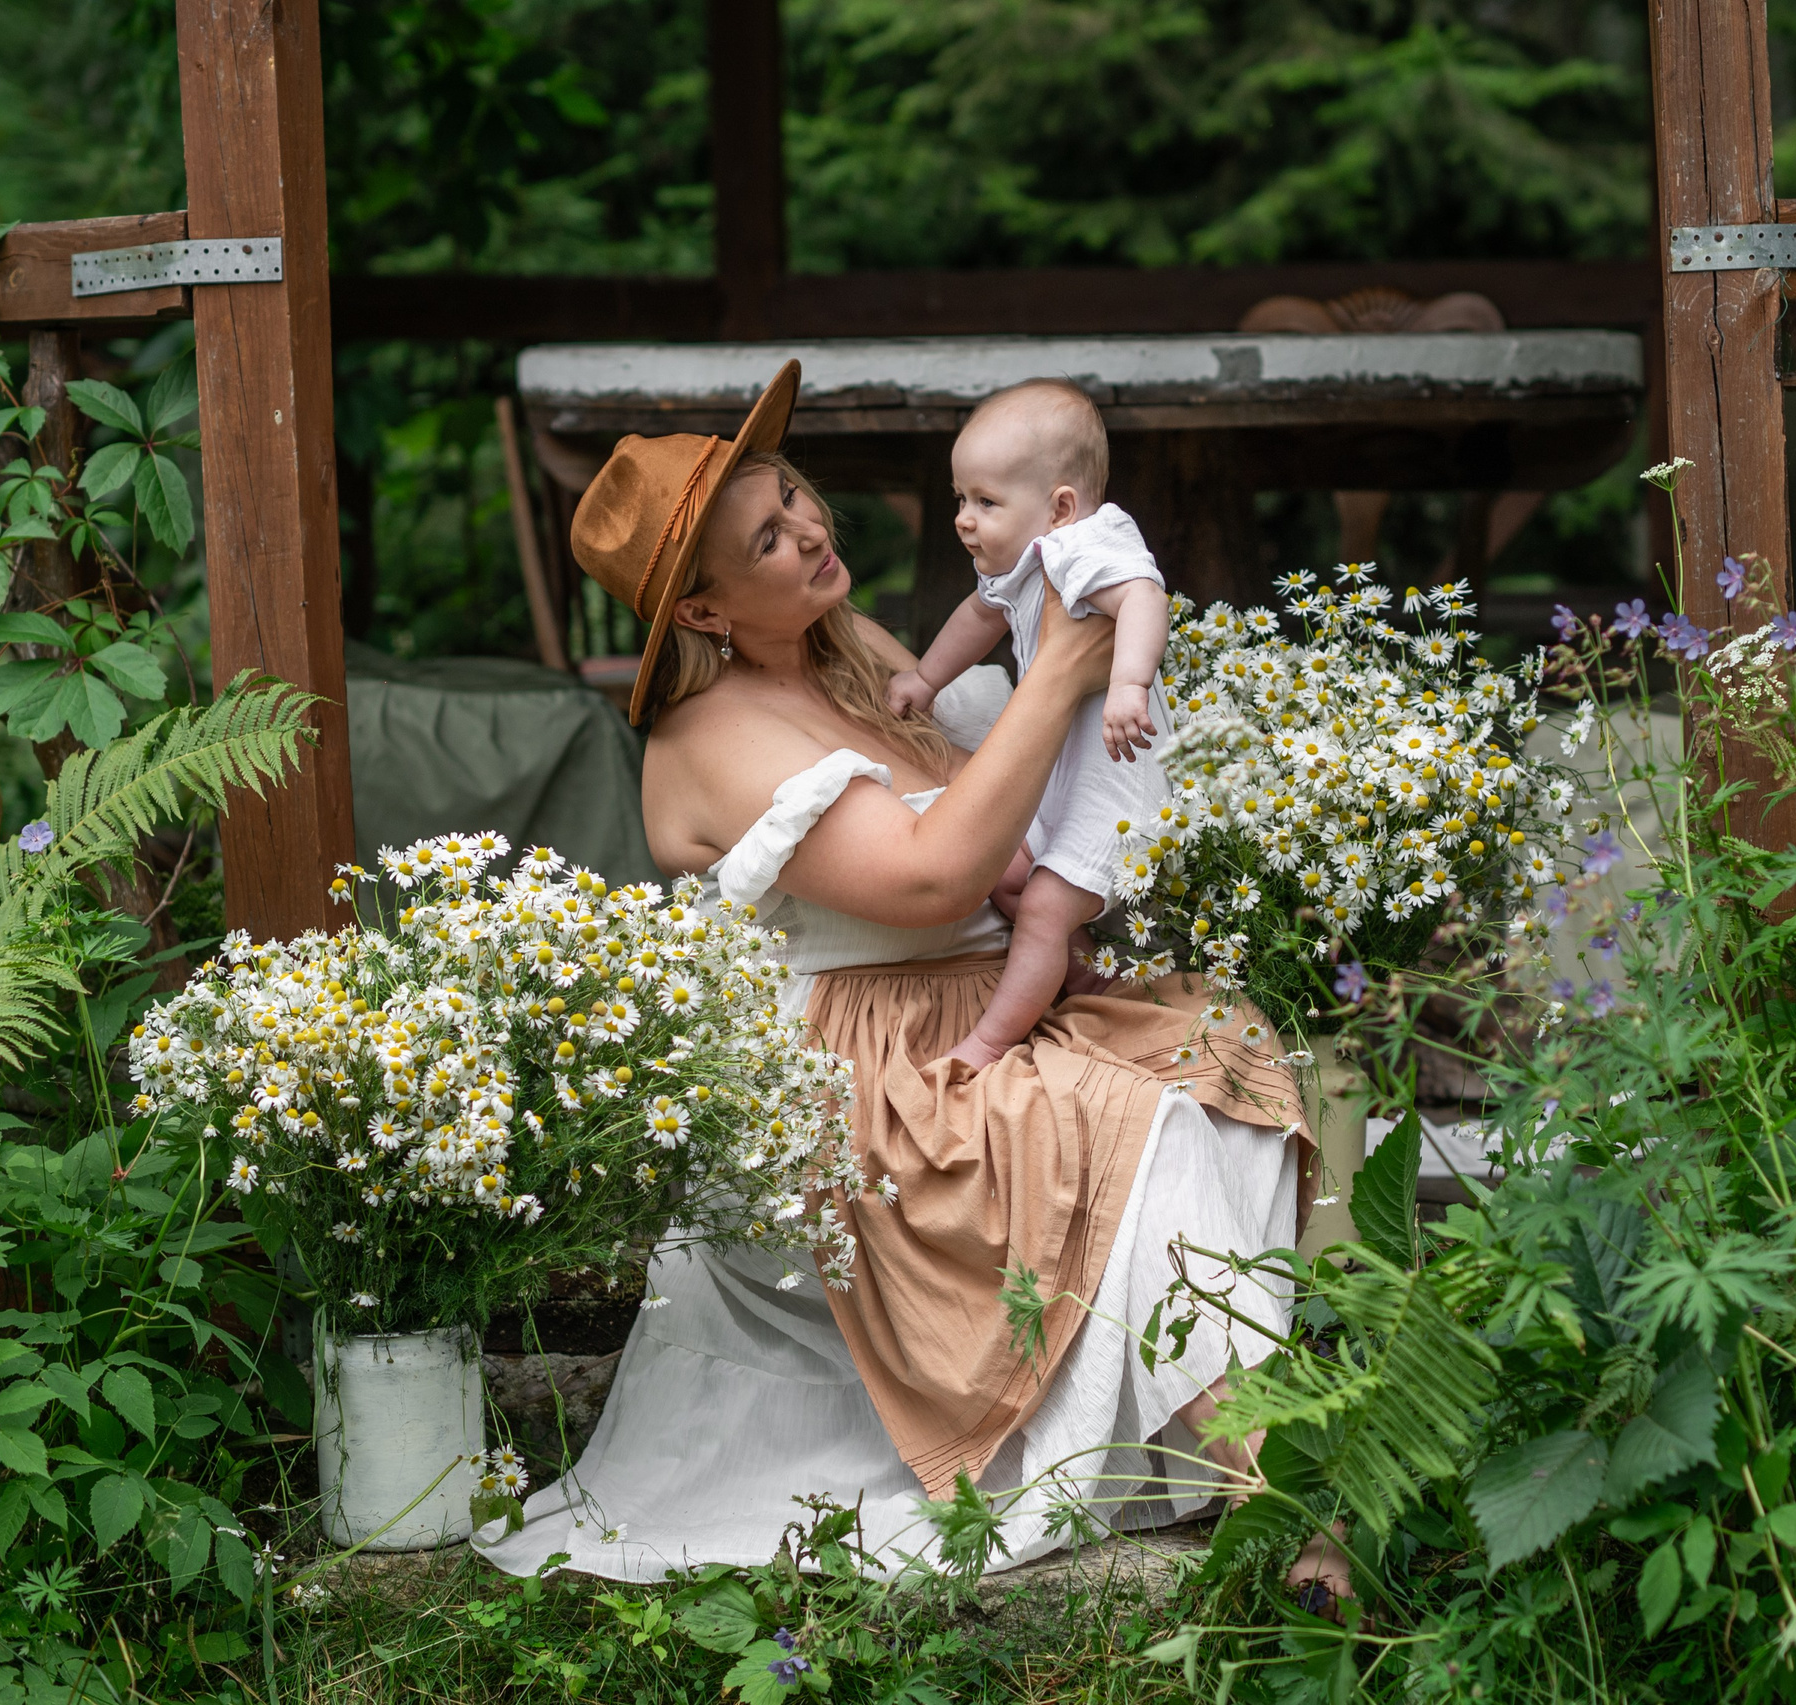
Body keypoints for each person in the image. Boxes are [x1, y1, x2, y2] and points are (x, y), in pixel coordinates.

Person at [473, 361, 1342, 1597]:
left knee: (1211, 1063)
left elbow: (991, 836)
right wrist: (1057, 674)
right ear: (710, 614)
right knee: (1132, 1127)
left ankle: (1240, 1456)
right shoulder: (708, 741)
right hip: (851, 1073)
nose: (811, 530)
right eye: (766, 538)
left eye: (794, 497)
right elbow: (933, 876)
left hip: (970, 1010)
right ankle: (1299, 1506)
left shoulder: (854, 650)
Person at [884, 380, 1173, 1070]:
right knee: (1008, 874)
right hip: (1065, 778)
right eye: (960, 498)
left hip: (1120, 785)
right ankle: (1078, 973)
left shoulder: (1083, 545)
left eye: (985, 501)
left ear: (1059, 507)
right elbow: (979, 616)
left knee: (1042, 904)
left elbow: (1144, 595)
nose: (963, 518)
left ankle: (989, 1041)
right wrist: (926, 679)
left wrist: (1129, 684)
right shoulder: (1029, 557)